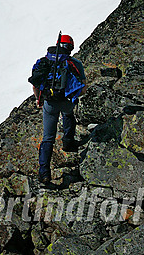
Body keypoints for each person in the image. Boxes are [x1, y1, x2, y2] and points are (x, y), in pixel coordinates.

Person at [28, 33, 86, 185]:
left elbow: (35, 85)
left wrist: (38, 99)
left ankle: (44, 174)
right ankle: (68, 142)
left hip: (50, 103)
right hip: (66, 101)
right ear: (70, 48)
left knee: (48, 137)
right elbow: (83, 88)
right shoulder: (75, 63)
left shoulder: (43, 62)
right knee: (68, 114)